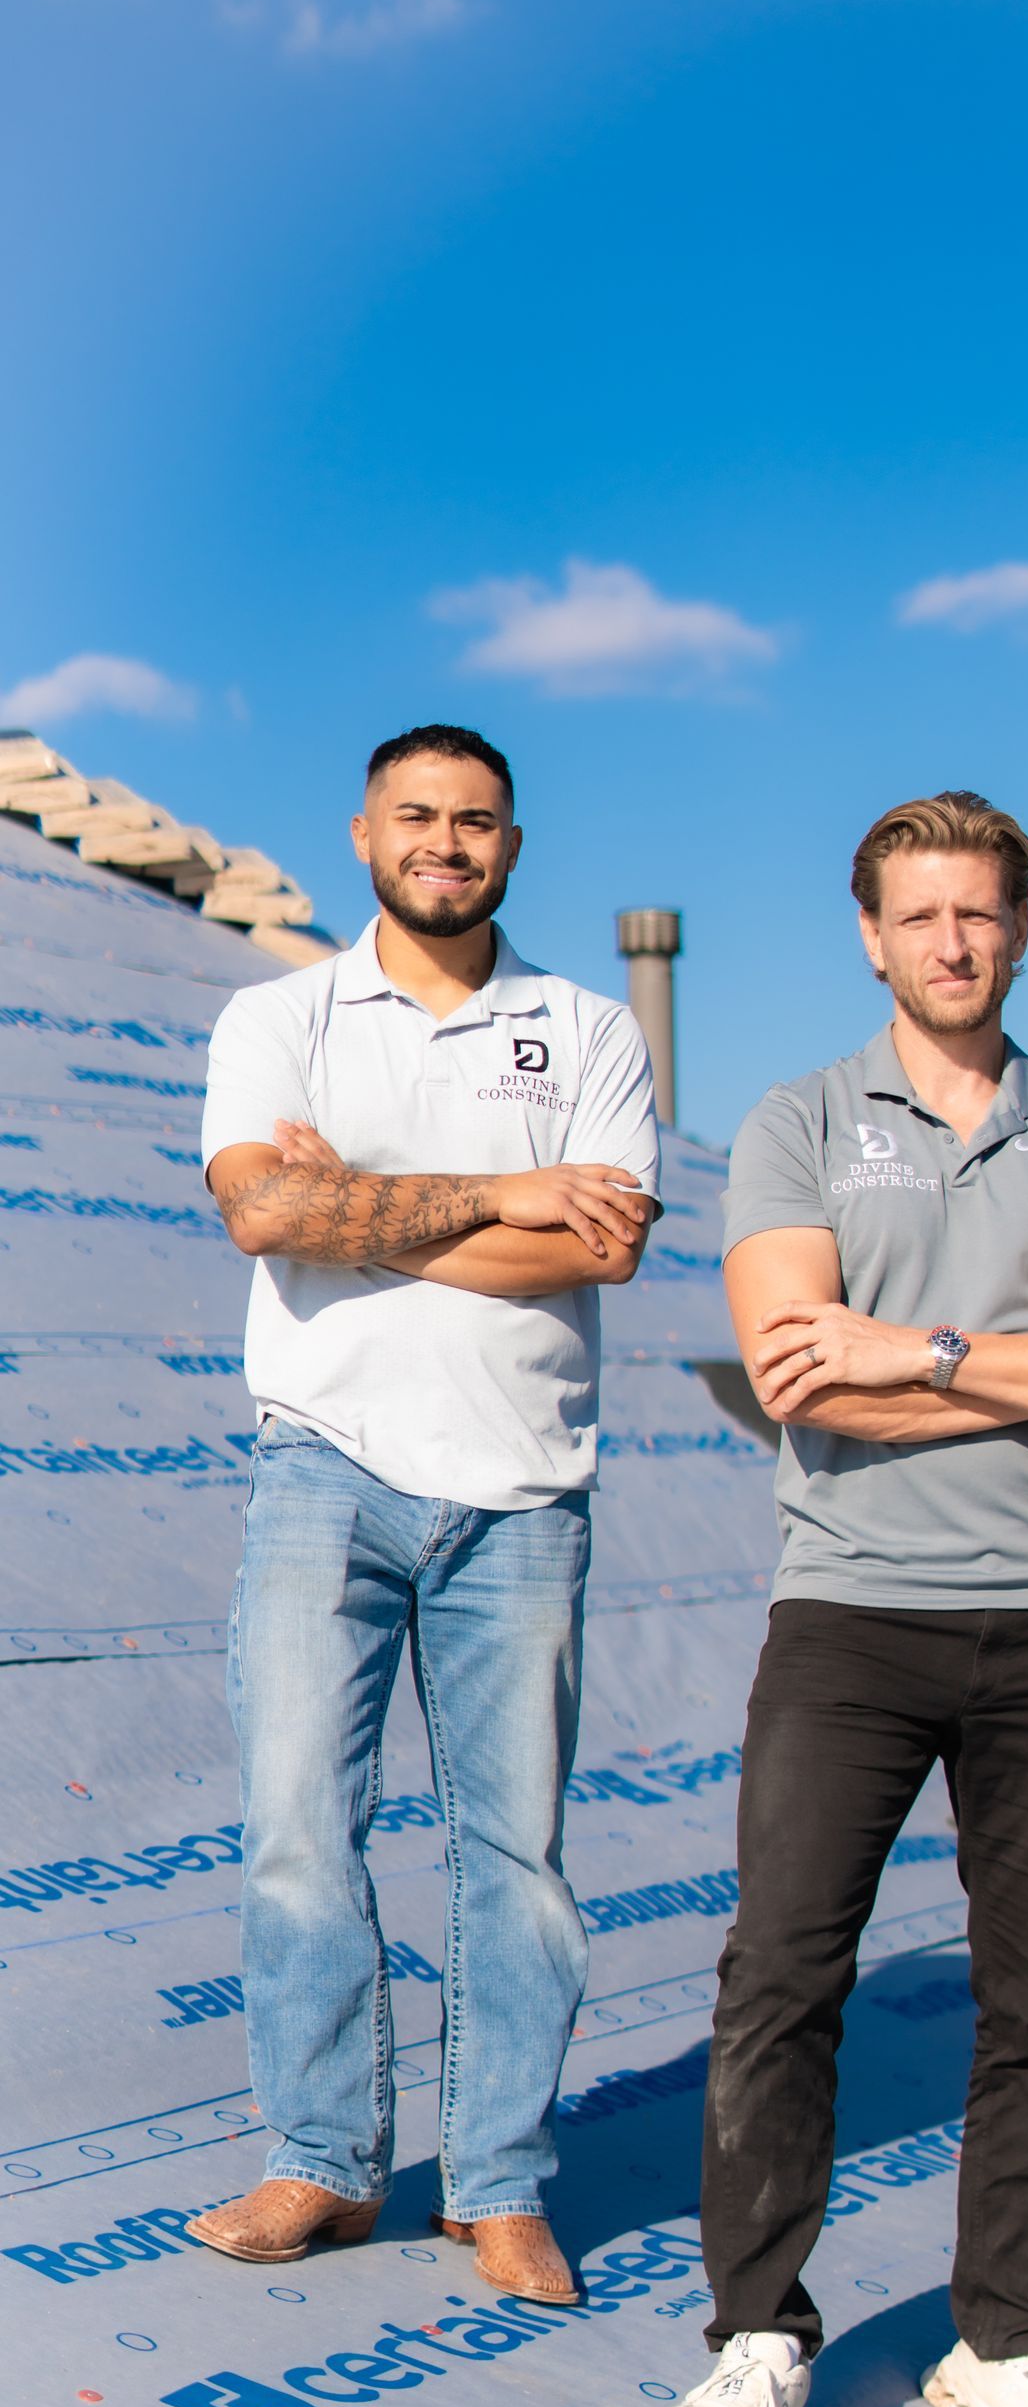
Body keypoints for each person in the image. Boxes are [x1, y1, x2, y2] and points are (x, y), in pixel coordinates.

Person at [642, 789, 1028, 2407]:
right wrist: (1021, 1360)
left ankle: (1009, 2347)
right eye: (921, 917)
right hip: (854, 1618)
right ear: (872, 938)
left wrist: (920, 1349)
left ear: (1020, 928)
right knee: (782, 1975)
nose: (954, 943)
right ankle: (757, 2339)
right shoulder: (797, 1123)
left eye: (983, 914)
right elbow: (803, 1383)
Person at [188, 723, 659, 2307]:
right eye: (416, 816)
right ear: (362, 832)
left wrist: (366, 1206)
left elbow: (596, 1250)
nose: (444, 841)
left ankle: (501, 2182)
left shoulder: (585, 1029)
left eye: (474, 821)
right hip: (324, 1469)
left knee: (512, 1862)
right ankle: (321, 2158)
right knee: (301, 1841)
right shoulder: (282, 1019)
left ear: (511, 846)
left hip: (522, 1493)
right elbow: (260, 1207)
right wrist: (499, 1190)